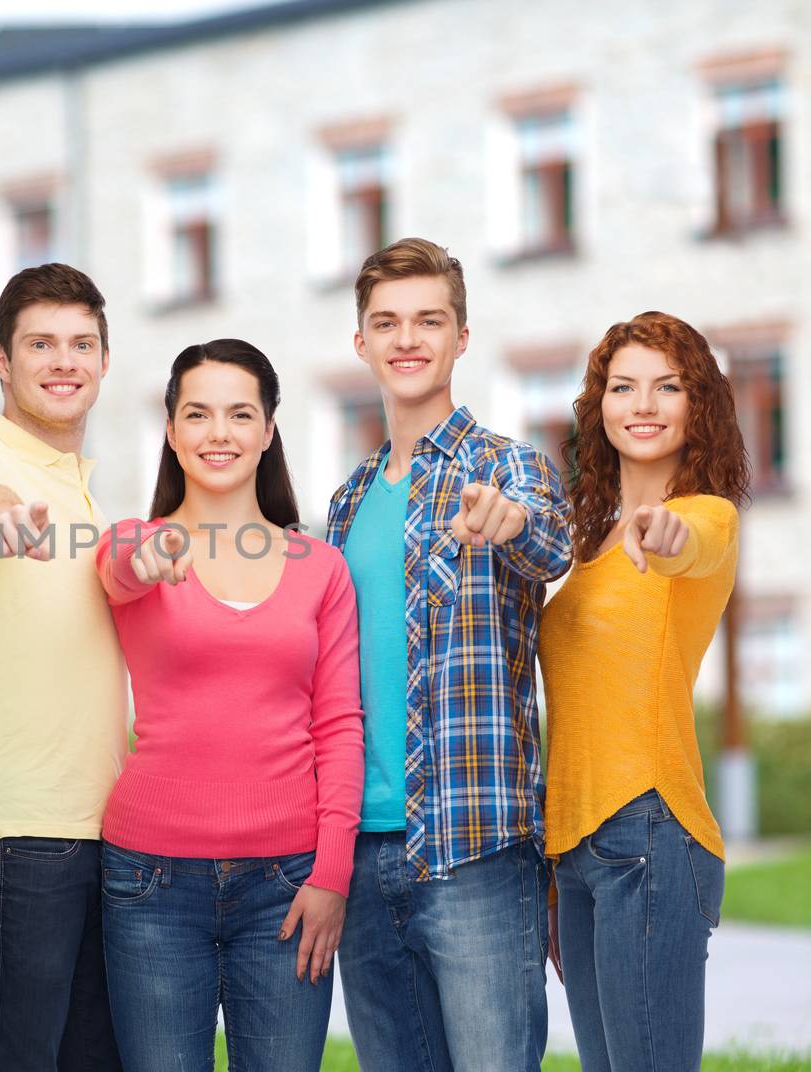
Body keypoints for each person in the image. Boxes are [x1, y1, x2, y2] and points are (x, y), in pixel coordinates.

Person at [326, 237, 571, 1071]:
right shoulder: (347, 500)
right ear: (360, 341)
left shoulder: (508, 468)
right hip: (359, 851)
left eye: (429, 320)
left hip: (476, 846)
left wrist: (508, 521)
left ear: (461, 338)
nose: (407, 339)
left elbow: (548, 543)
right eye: (386, 322)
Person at [95, 339, 364, 1071]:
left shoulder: (321, 568)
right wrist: (145, 561)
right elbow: (119, 573)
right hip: (150, 880)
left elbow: (340, 727)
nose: (220, 433)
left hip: (288, 883)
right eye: (198, 414)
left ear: (269, 430)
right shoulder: (135, 543)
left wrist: (332, 874)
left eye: (240, 414)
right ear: (172, 430)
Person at [0, 263, 127, 1070]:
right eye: (40, 344)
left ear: (106, 363)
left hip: (104, 831)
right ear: (2, 362)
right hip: (13, 831)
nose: (64, 361)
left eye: (82, 344)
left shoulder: (89, 496)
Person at [540, 311, 749, 1072]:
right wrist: (557, 867)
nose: (644, 404)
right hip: (576, 850)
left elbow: (688, 547)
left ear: (699, 406)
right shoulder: (585, 540)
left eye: (669, 386)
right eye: (623, 387)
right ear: (600, 407)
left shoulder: (705, 518)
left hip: (650, 831)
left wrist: (663, 535)